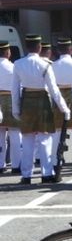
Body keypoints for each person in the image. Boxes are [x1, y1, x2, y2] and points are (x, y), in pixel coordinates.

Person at [12, 34, 70, 184]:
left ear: (27, 46)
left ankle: (26, 175)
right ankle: (46, 173)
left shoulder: (18, 64)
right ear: (39, 47)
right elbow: (53, 90)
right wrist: (64, 108)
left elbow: (14, 90)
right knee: (45, 140)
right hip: (43, 101)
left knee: (27, 141)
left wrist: (16, 109)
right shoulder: (45, 65)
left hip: (26, 101)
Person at [51, 37, 72, 171]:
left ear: (58, 50)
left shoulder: (53, 65)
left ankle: (55, 161)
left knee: (57, 131)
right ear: (71, 49)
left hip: (58, 96)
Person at [0, 41, 21, 173]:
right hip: (11, 99)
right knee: (15, 135)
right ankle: (16, 164)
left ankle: (0, 164)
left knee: (0, 136)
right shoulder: (13, 67)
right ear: (8, 53)